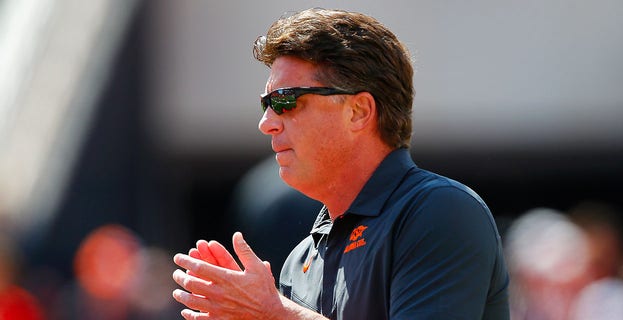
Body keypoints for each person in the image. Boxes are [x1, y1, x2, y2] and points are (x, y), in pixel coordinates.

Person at [172, 7, 510, 320]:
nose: (267, 123)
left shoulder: (439, 210)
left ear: (359, 112)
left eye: (286, 100)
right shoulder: (302, 258)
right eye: (266, 104)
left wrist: (275, 313)